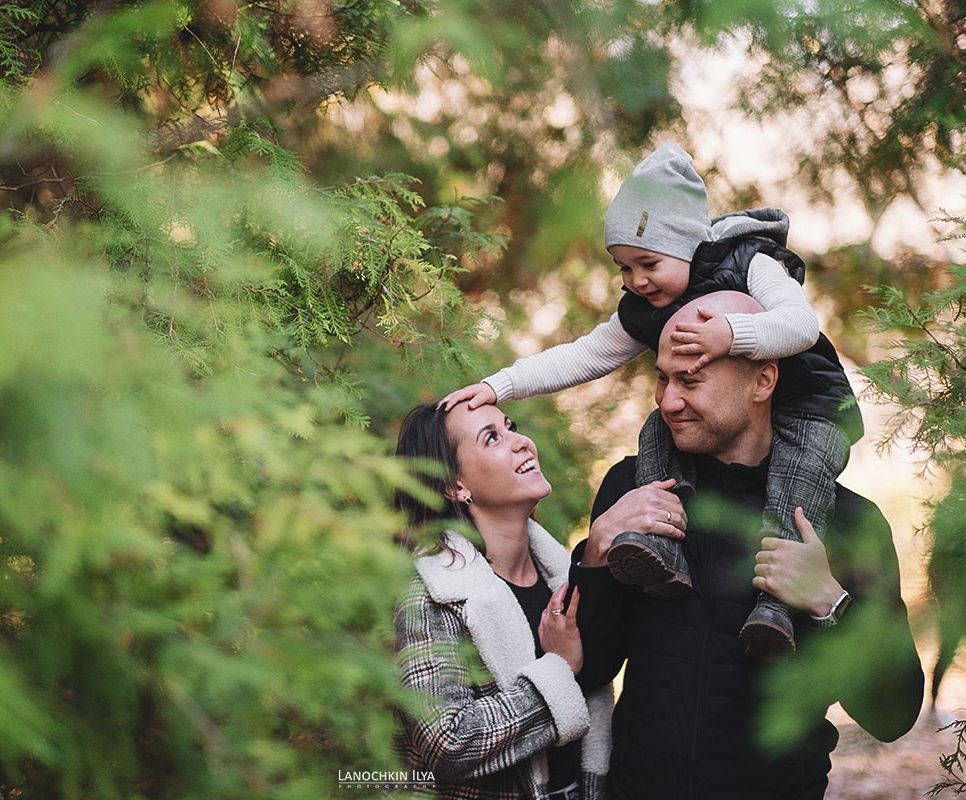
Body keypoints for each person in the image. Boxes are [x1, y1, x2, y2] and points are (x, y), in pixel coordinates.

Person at [439, 142, 862, 658]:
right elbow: (584, 354)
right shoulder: (646, 306)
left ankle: (777, 607)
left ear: (686, 245)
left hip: (815, 411)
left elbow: (800, 325)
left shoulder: (749, 262)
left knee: (797, 488)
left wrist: (730, 335)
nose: (636, 281)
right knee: (655, 432)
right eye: (623, 268)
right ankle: (659, 546)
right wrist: (500, 386)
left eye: (648, 263)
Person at [571, 291, 924, 799]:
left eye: (691, 380)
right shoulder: (633, 490)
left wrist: (829, 601)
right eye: (663, 378)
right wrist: (597, 551)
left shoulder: (848, 521)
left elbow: (893, 715)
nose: (668, 401)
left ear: (763, 381)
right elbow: (589, 670)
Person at [393, 401, 613, 800]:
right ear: (454, 486)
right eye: (492, 437)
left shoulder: (562, 578)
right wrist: (559, 670)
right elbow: (447, 741)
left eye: (510, 426)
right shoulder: (434, 595)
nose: (522, 443)